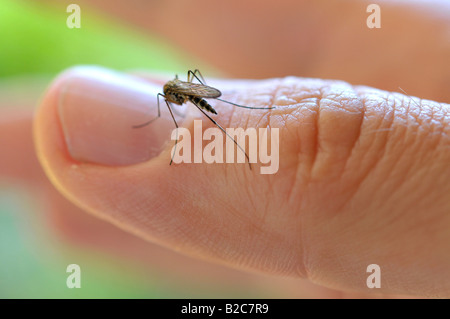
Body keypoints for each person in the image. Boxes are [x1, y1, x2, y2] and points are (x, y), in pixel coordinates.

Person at [2, 0, 449, 298]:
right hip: (195, 94)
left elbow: (182, 96)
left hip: (203, 95)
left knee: (189, 105)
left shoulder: (179, 94)